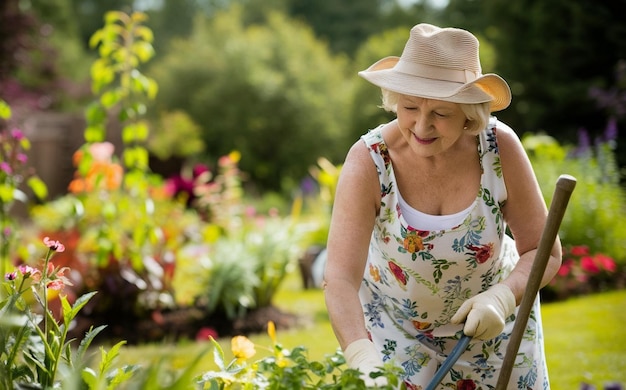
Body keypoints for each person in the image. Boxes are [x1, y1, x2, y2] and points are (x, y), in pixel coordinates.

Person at [323, 23, 561, 389]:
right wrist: (360, 354)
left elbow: (543, 250)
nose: (421, 125)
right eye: (410, 106)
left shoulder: (499, 149)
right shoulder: (370, 161)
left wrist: (502, 297)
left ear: (470, 112)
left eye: (442, 113)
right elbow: (339, 277)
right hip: (395, 334)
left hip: (494, 331)